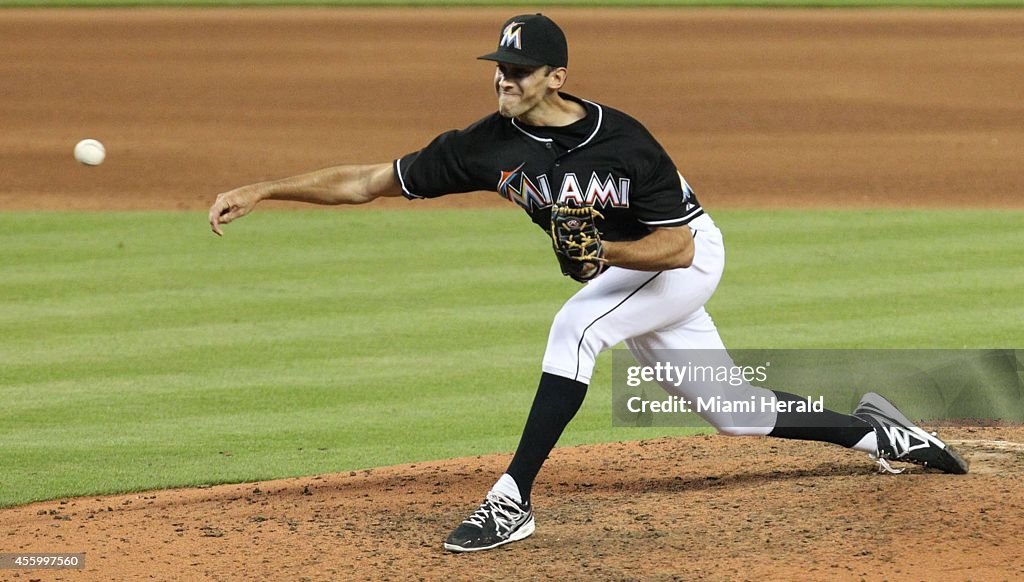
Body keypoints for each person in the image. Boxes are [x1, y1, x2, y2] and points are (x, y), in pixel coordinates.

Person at [208, 13, 968, 553]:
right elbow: (370, 180)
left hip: (684, 258)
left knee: (578, 325)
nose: (503, 79)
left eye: (518, 70)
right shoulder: (484, 143)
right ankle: (881, 430)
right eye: (497, 68)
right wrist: (265, 188)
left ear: (556, 77)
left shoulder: (624, 140)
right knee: (734, 412)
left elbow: (674, 248)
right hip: (638, 266)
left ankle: (512, 501)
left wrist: (601, 250)